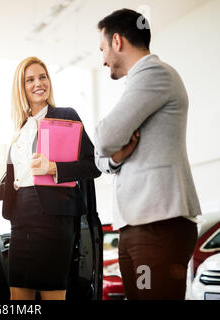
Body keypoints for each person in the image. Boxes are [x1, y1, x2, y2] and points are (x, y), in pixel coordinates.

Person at [0, 56, 101, 300]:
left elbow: (93, 165)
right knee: (18, 296)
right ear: (22, 87)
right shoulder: (21, 130)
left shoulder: (65, 115)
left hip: (54, 221)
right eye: (30, 79)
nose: (38, 83)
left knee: (51, 294)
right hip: (21, 218)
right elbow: (11, 185)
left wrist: (53, 167)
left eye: (42, 77)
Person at [94, 9, 202, 300]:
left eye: (103, 48)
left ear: (117, 41)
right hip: (140, 227)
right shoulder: (140, 84)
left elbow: (104, 138)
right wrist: (116, 157)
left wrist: (110, 148)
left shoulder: (155, 74)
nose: (103, 59)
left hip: (157, 226)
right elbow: (102, 154)